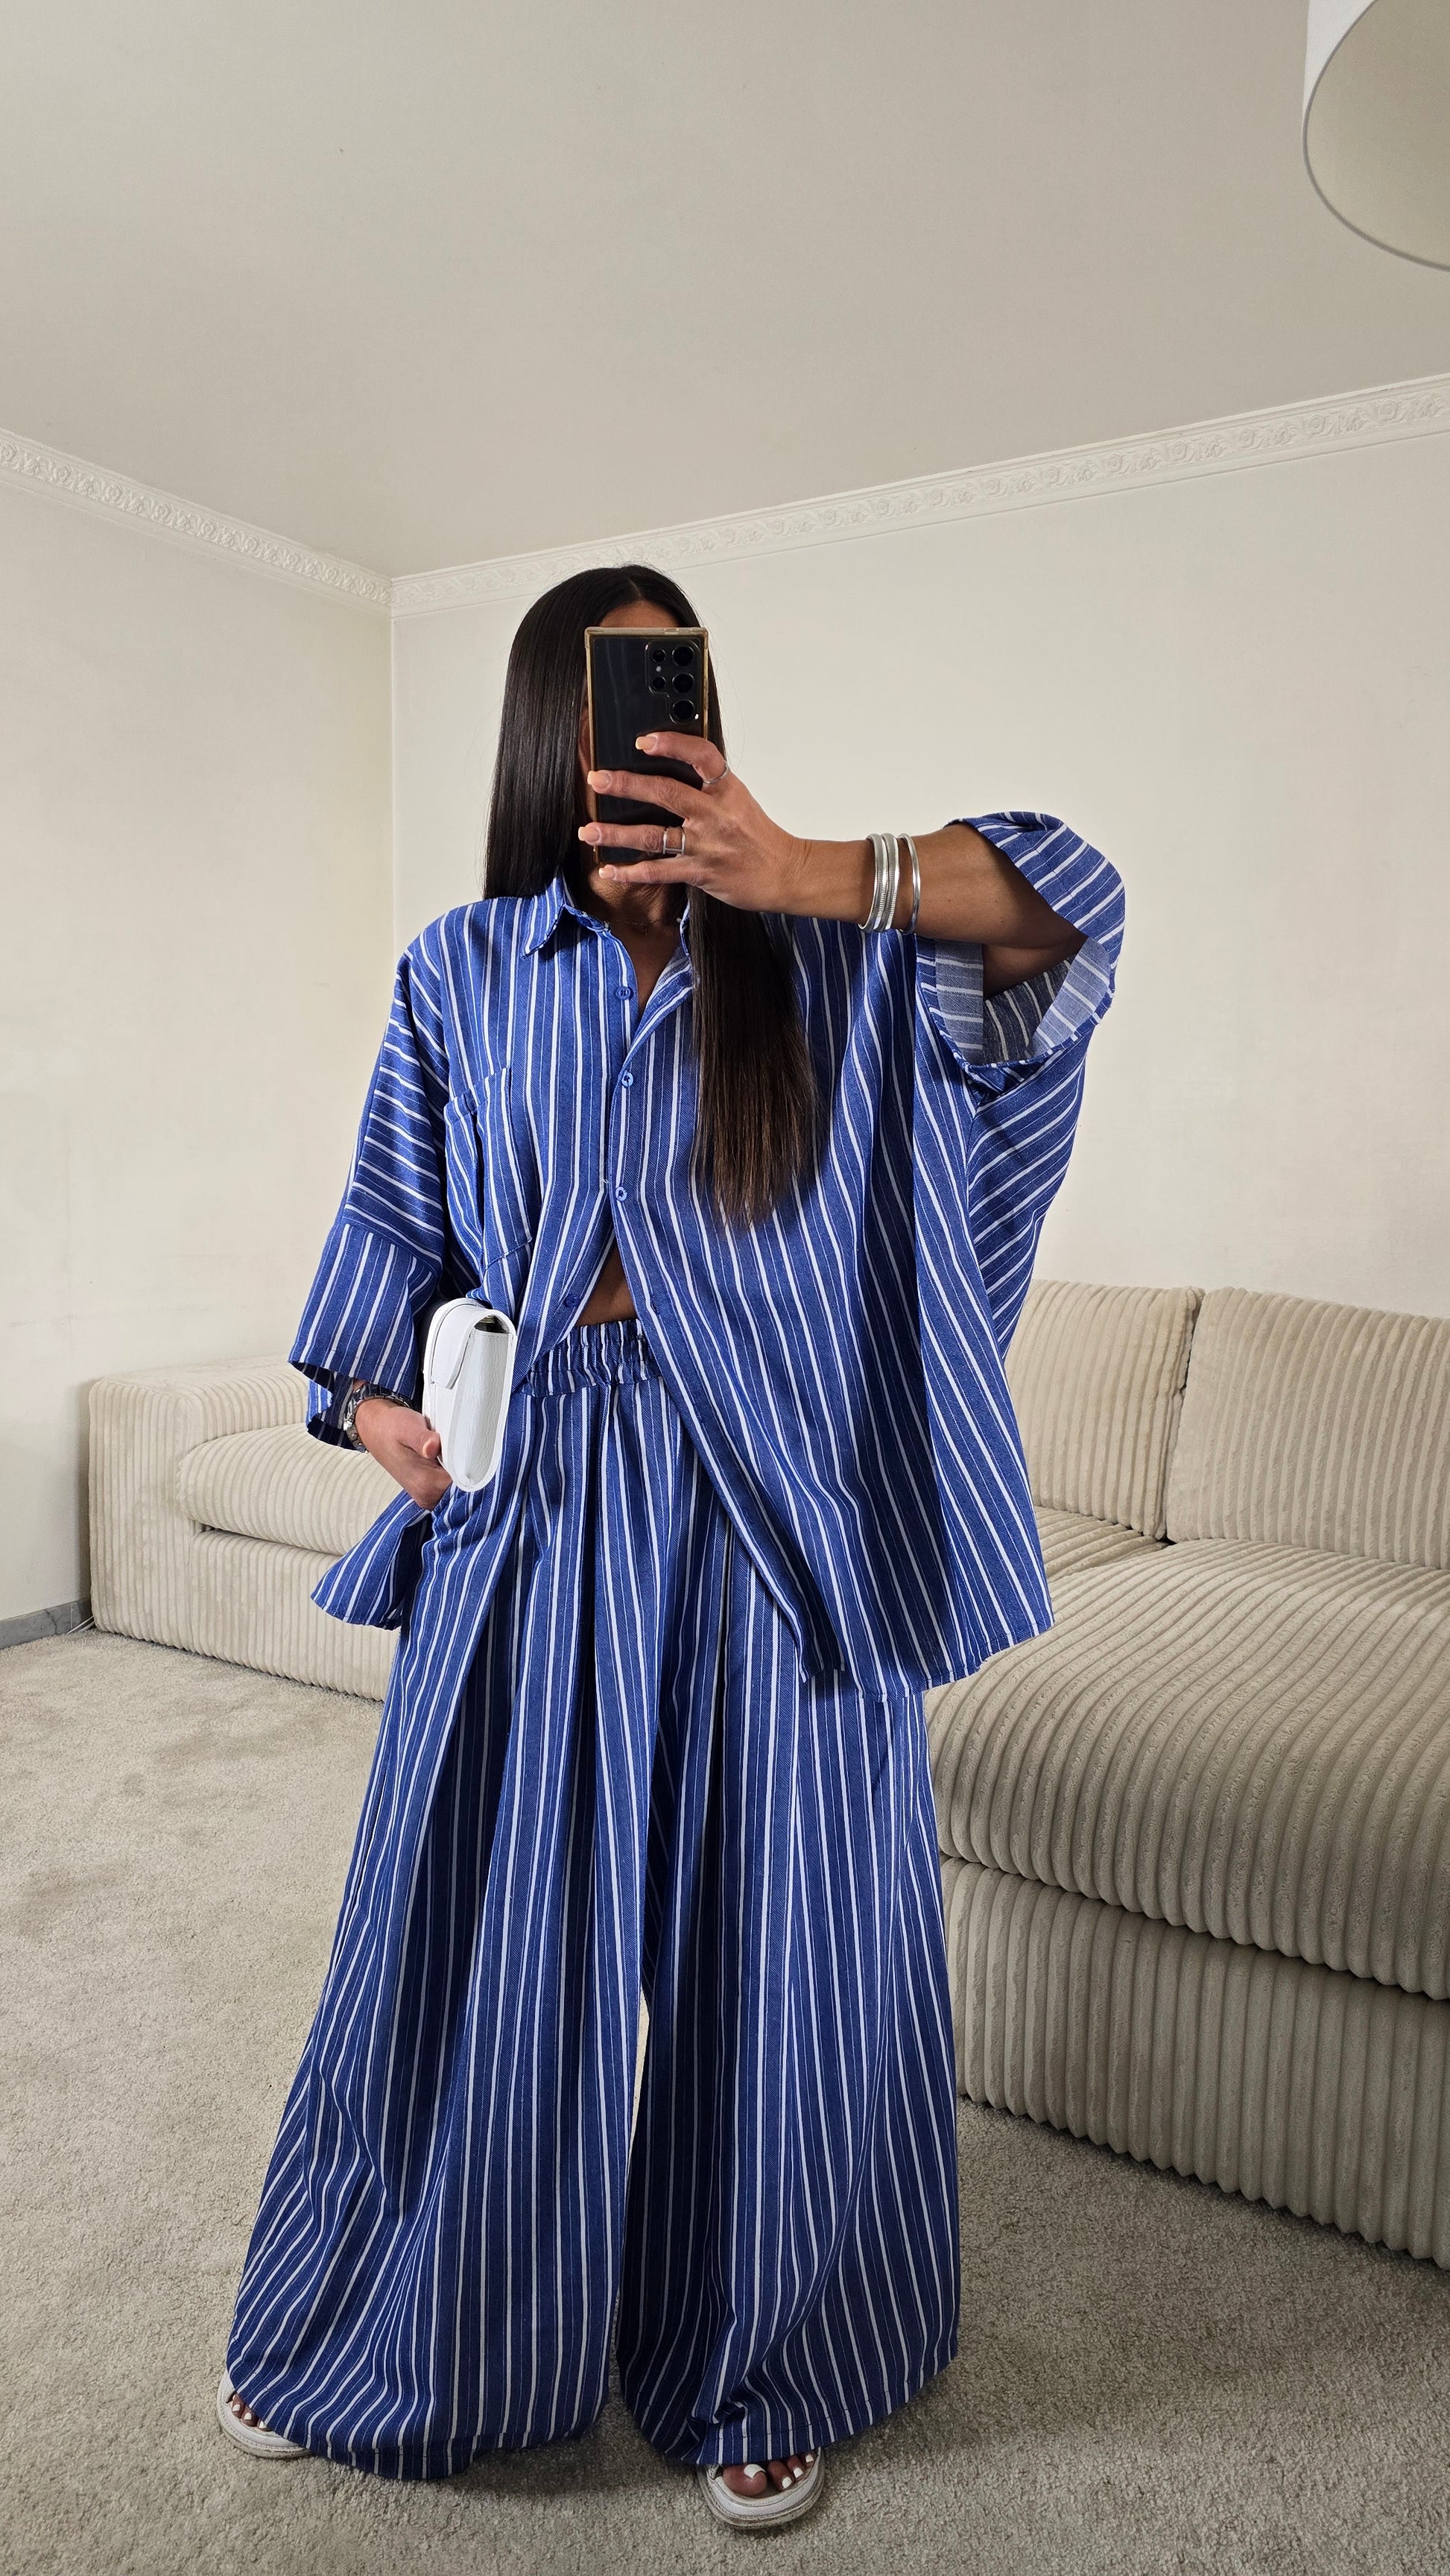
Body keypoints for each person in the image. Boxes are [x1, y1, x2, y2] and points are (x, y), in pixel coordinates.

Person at [216, 564, 1124, 2532]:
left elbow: (1074, 903)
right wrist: (371, 1403)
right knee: (465, 1935)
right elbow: (393, 1227)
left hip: (776, 1502)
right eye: (610, 687)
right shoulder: (463, 968)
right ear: (548, 727)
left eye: (672, 677)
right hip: (532, 1494)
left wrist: (803, 872)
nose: (642, 715)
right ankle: (405, 2331)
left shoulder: (830, 949)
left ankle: (770, 2357)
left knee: (791, 1947)